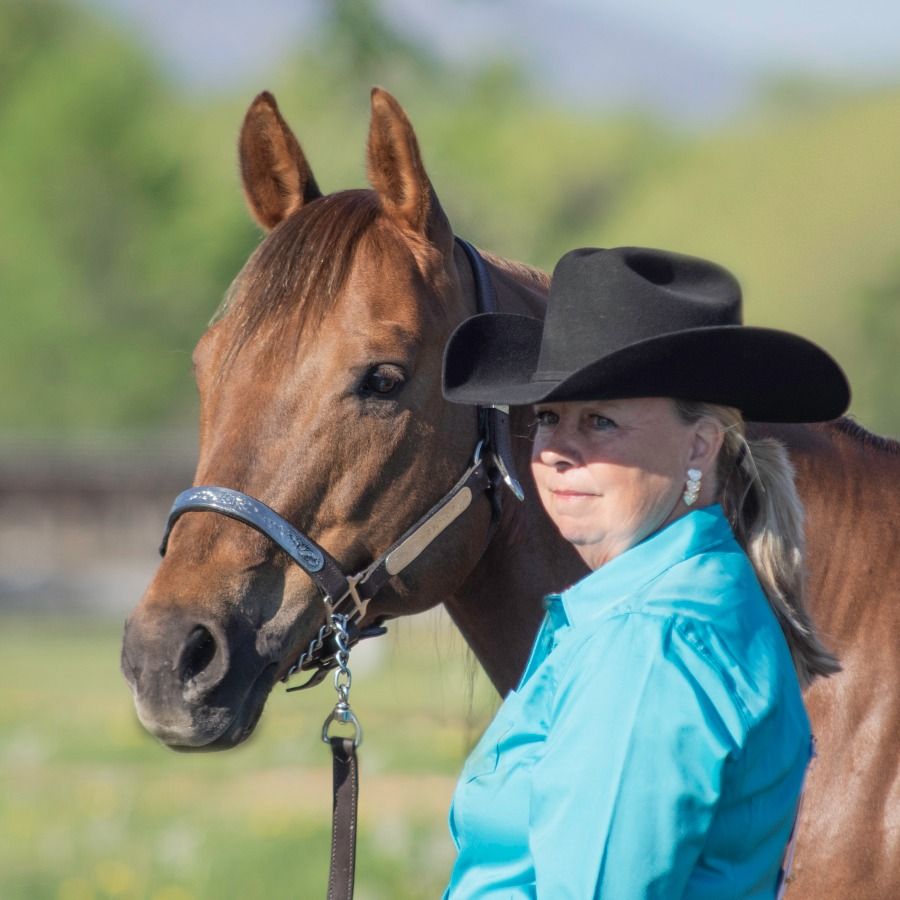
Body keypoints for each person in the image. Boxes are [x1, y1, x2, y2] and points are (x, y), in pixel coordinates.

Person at [439, 246, 850, 899]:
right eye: (548, 418)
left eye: (600, 420)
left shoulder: (650, 640)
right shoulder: (689, 599)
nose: (557, 452)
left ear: (700, 445)